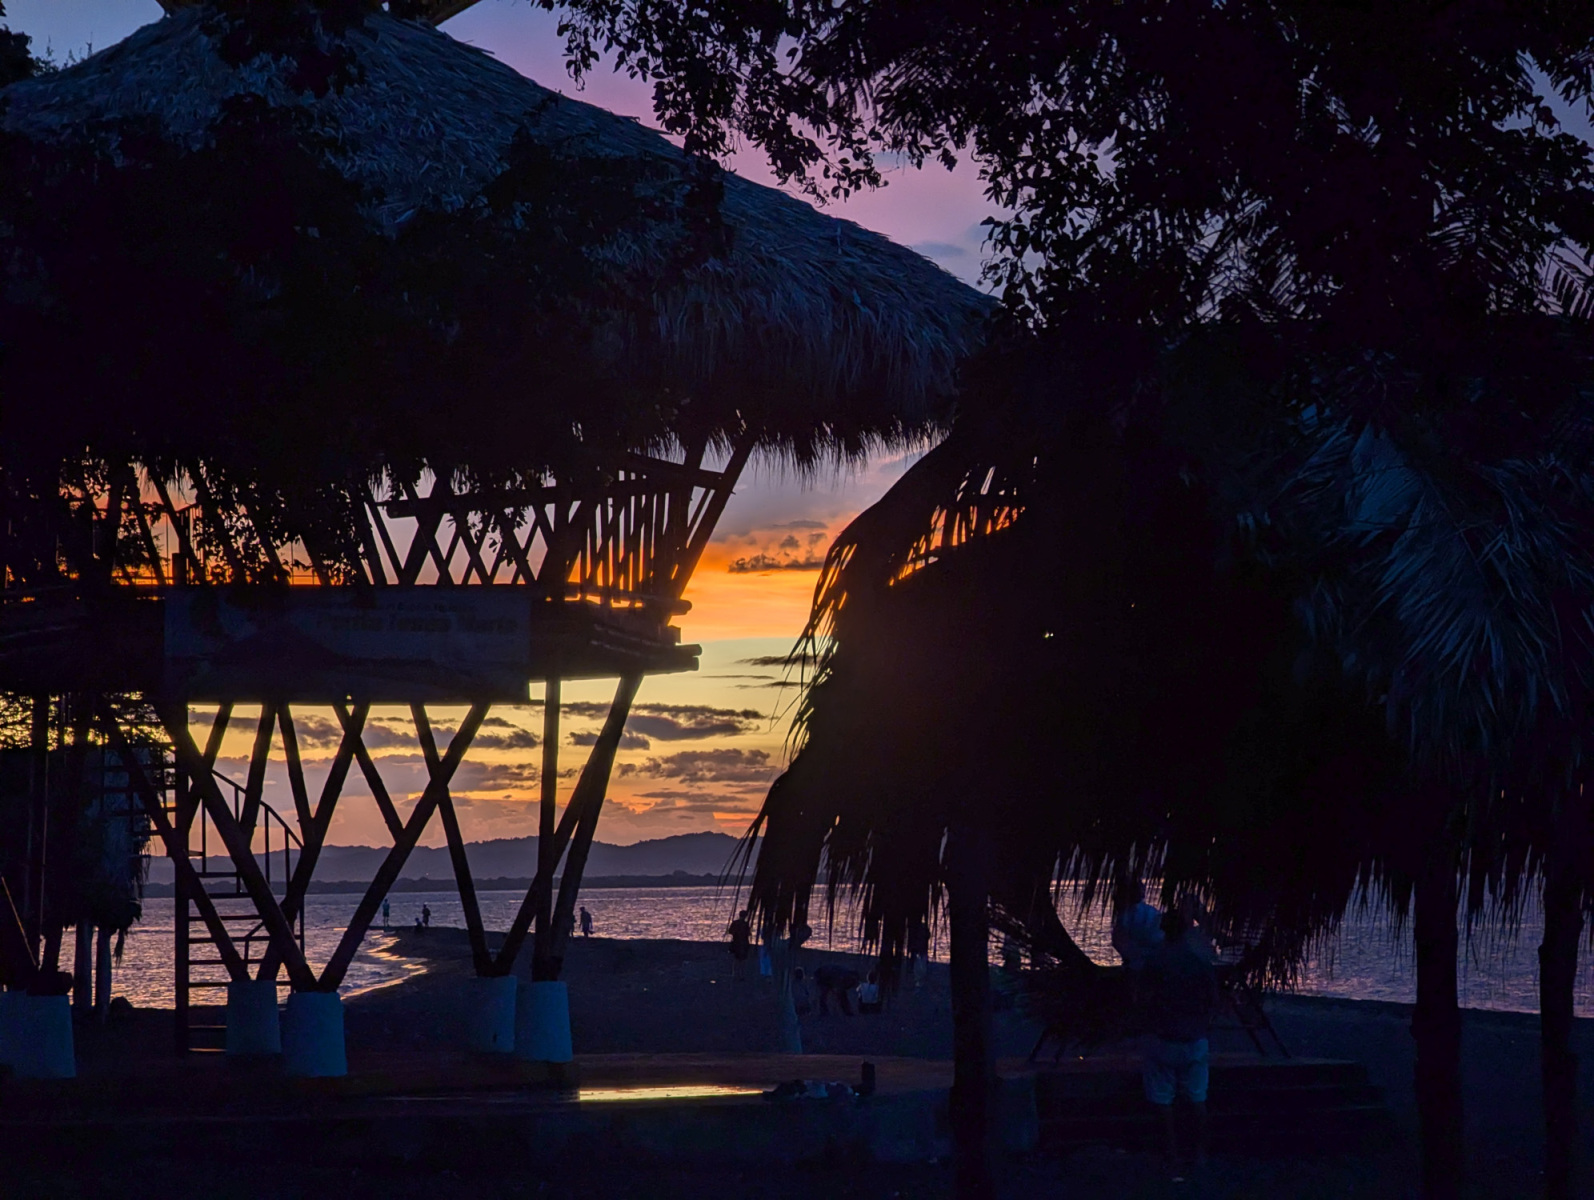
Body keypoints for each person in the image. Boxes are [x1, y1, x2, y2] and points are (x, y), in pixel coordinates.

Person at [1140, 906, 1220, 1179]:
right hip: (1193, 1037)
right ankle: (1199, 1153)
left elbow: (1143, 998)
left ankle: (1172, 1154)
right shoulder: (1199, 961)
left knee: (1163, 1099)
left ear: (1163, 929)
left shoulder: (1155, 960)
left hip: (1161, 1037)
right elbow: (1213, 999)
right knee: (1197, 1097)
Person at [726, 909, 753, 980]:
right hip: (743, 943)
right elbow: (748, 933)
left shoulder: (736, 923)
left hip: (737, 942)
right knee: (742, 959)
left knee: (736, 959)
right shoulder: (745, 924)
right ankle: (740, 974)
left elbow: (730, 931)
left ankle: (735, 974)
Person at [907, 917, 930, 990]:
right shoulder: (920, 931)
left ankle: (918, 977)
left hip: (920, 948)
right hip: (920, 948)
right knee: (920, 961)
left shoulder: (918, 931)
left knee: (920, 961)